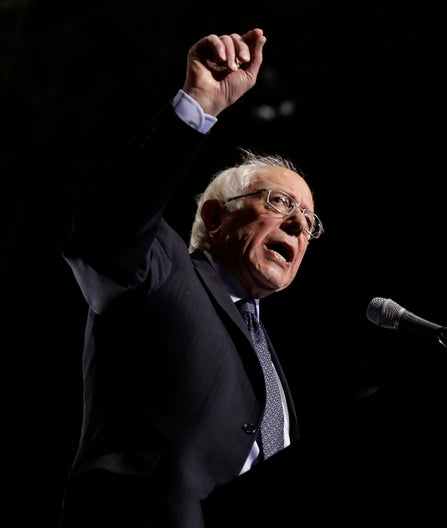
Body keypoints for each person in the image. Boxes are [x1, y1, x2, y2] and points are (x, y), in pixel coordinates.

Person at [59, 27, 323, 528]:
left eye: (309, 222)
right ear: (216, 218)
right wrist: (197, 104)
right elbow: (103, 234)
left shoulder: (265, 349)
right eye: (281, 203)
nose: (297, 225)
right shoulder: (163, 269)